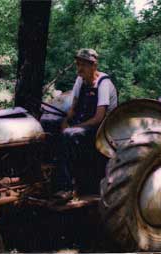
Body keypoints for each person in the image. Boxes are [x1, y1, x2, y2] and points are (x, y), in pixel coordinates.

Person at [51, 48, 118, 201]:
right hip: (84, 124)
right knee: (48, 125)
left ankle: (65, 188)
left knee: (70, 134)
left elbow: (99, 117)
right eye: (78, 64)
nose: (80, 68)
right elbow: (73, 108)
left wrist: (74, 128)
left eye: (84, 65)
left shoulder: (103, 83)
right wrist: (65, 122)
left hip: (101, 131)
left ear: (94, 66)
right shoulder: (80, 79)